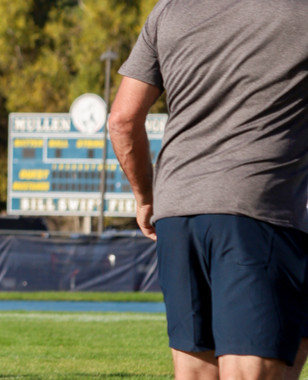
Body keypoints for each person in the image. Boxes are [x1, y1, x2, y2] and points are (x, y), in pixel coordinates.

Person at [108, 1, 308, 378]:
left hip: (177, 215)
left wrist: (146, 197)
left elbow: (121, 120)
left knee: (196, 371)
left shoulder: (169, 10)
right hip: (257, 210)